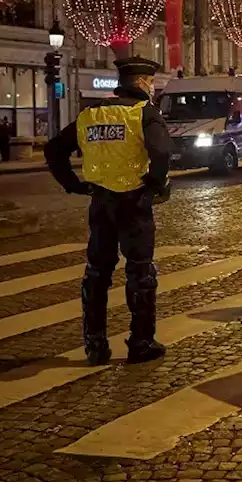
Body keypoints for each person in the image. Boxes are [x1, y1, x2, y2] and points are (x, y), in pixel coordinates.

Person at [44, 57, 173, 366]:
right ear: (142, 83)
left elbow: (54, 149)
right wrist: (155, 184)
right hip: (134, 201)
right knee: (140, 272)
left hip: (101, 201)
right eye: (151, 83)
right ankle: (140, 342)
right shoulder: (144, 114)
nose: (152, 88)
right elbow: (162, 152)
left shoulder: (91, 114)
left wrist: (73, 184)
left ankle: (95, 344)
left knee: (97, 272)